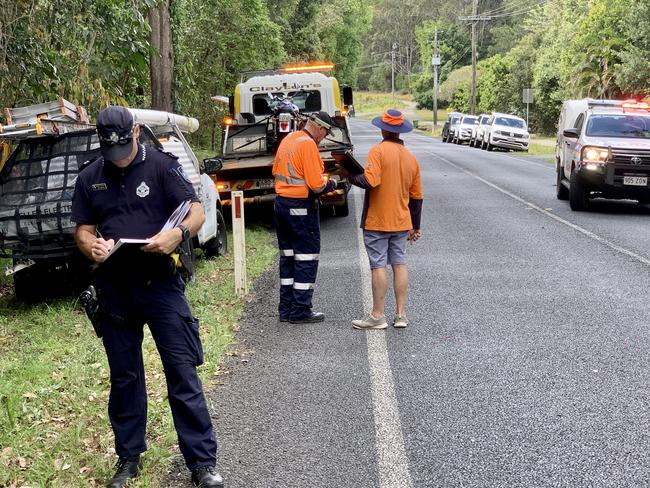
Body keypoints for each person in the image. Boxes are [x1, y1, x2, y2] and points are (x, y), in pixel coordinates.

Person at [71, 106, 223, 488]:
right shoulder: (90, 177)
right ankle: (128, 459)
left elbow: (196, 211)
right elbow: (83, 230)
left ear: (135, 132)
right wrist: (91, 247)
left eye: (123, 149)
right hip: (115, 290)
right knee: (125, 378)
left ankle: (202, 464)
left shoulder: (161, 166)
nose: (118, 159)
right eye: (111, 152)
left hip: (161, 285)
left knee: (182, 372)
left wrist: (179, 235)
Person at [346, 109, 423, 330]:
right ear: (400, 131)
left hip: (377, 220)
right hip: (401, 221)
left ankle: (378, 315)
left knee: (378, 266)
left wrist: (349, 175)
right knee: (399, 264)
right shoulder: (411, 158)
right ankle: (400, 315)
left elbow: (370, 181)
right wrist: (415, 226)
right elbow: (417, 197)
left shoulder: (377, 152)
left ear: (383, 128)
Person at [272, 111, 338, 323]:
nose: (324, 138)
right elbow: (317, 185)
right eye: (325, 133)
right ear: (319, 128)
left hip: (281, 205)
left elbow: (277, 171)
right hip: (300, 208)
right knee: (306, 258)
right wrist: (333, 183)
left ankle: (286, 309)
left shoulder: (289, 139)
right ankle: (300, 311)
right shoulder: (308, 144)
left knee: (288, 258)